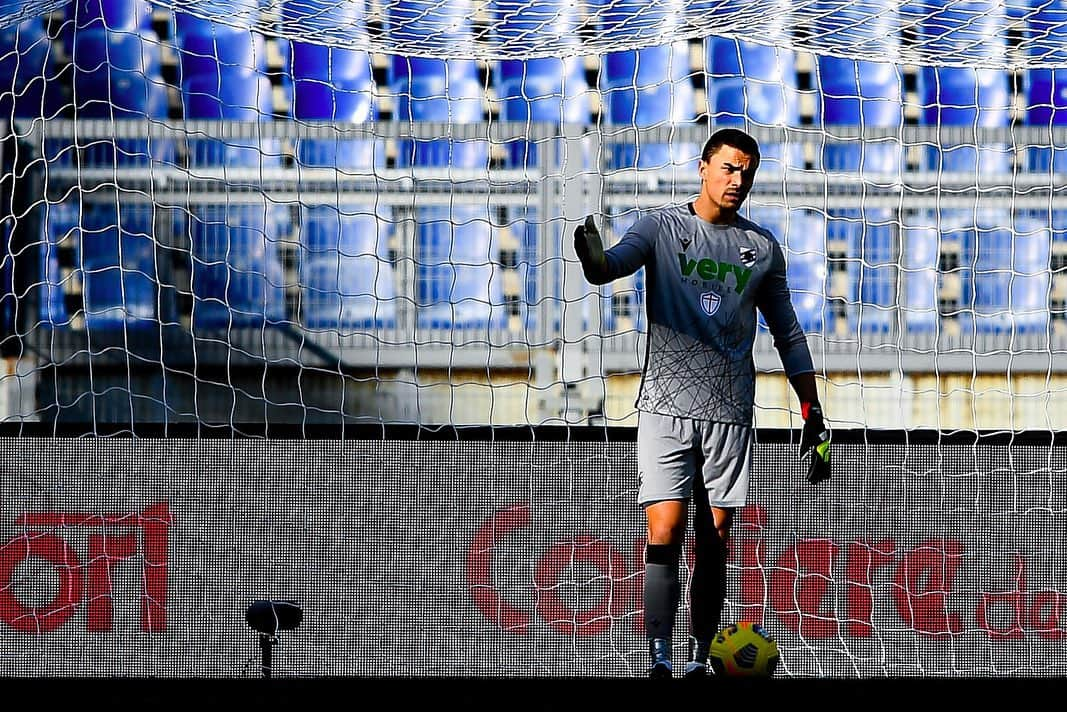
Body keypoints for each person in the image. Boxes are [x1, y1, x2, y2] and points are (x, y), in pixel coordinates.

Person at [573, 127, 831, 678]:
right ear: (704, 167)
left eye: (748, 172)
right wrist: (593, 256)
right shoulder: (662, 227)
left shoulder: (760, 248)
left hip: (729, 411)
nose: (738, 180)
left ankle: (698, 657)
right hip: (664, 404)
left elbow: (788, 332)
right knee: (663, 529)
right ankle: (660, 657)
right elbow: (609, 268)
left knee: (713, 538)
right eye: (729, 168)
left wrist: (812, 409)